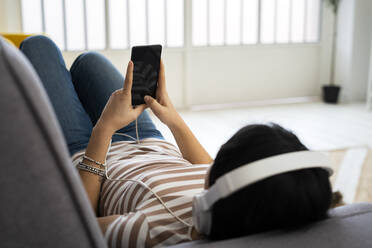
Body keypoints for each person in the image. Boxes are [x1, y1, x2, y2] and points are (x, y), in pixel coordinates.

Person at [20, 35, 337, 248]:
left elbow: (75, 227)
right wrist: (171, 116)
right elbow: (210, 170)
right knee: (89, 61)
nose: (212, 171)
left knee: (38, 47)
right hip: (148, 137)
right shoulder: (246, 199)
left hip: (89, 150)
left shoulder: (155, 227)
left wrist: (103, 128)